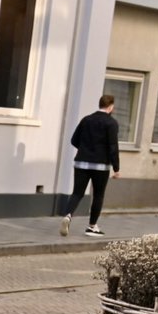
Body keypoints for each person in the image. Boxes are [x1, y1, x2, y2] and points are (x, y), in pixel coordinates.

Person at [61, 95, 121, 237]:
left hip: (81, 162)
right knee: (98, 195)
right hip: (100, 166)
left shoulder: (86, 120)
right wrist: (116, 168)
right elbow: (113, 147)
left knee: (77, 193)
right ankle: (92, 227)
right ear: (110, 106)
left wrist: (85, 150)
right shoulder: (111, 123)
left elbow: (74, 140)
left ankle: (68, 215)